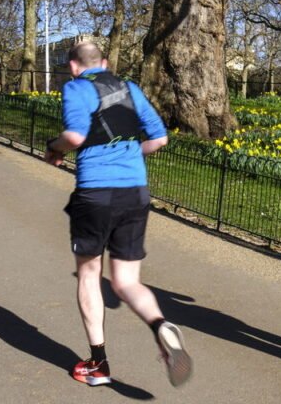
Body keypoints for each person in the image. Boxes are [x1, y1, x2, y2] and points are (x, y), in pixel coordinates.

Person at [44, 41, 192, 388]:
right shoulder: (129, 88)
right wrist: (128, 154)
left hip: (96, 193)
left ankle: (98, 364)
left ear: (74, 66)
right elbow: (159, 140)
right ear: (106, 63)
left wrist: (54, 148)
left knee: (89, 274)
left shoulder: (76, 88)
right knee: (126, 282)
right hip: (135, 192)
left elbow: (75, 135)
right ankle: (160, 325)